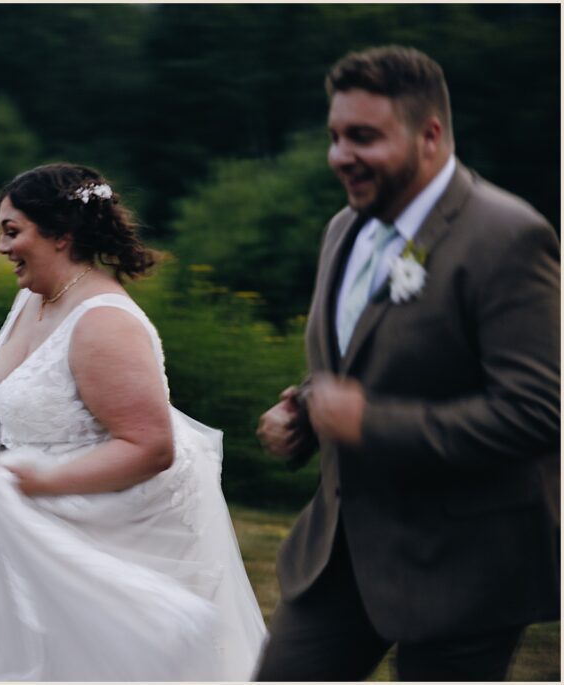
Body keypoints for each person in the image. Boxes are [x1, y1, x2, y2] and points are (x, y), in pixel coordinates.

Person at [256, 45, 560, 681]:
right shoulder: (343, 228)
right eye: (336, 136)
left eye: (363, 137)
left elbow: (537, 412)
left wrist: (371, 423)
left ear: (429, 135)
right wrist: (305, 411)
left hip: (464, 564)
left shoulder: (507, 237)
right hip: (338, 555)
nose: (340, 155)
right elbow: (375, 357)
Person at [0, 163, 266, 681]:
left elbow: (149, 445)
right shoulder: (32, 298)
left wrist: (43, 481)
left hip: (97, 530)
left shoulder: (104, 322)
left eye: (13, 231)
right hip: (25, 524)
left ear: (60, 234)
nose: (3, 248)